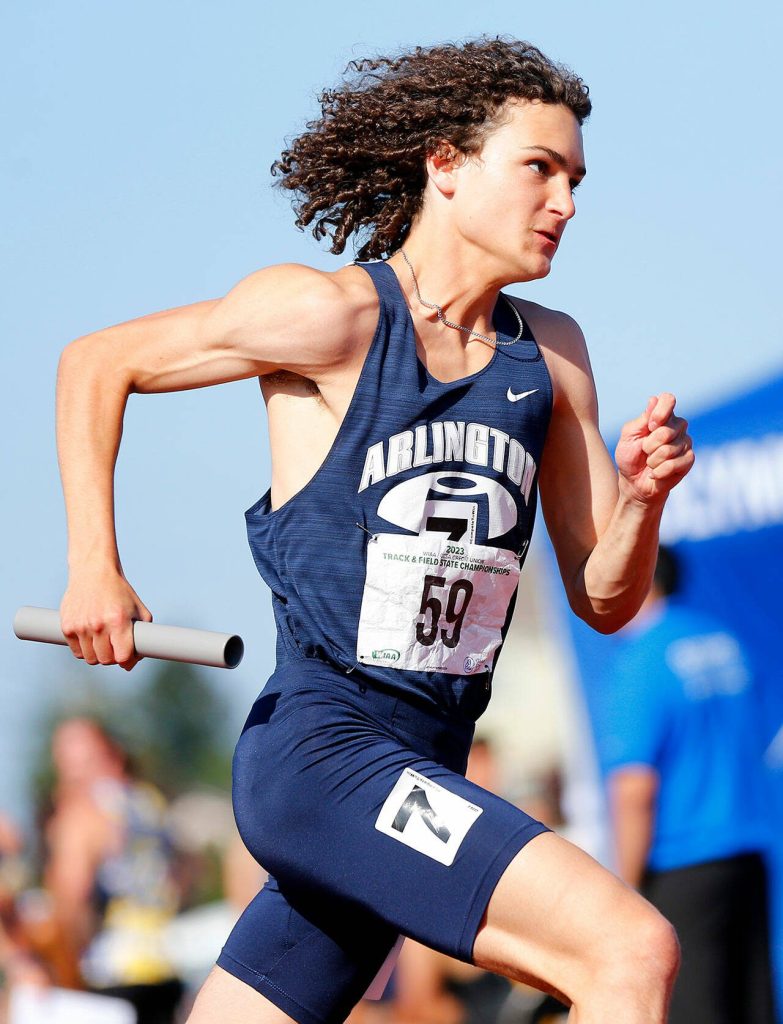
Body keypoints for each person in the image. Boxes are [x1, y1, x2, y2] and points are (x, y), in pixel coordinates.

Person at [55, 37, 694, 1024]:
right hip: (325, 751)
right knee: (628, 947)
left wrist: (643, 497)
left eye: (576, 178)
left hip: (420, 768)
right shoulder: (331, 316)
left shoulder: (551, 357)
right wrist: (96, 565)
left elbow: (605, 599)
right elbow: (97, 362)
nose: (566, 202)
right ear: (445, 164)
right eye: (540, 168)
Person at [588, 547, 775, 1023]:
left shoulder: (641, 659)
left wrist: (624, 895)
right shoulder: (722, 641)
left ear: (640, 580)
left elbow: (634, 791)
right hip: (746, 854)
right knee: (753, 1006)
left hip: (681, 870)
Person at [44, 718, 184, 1024]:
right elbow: (182, 876)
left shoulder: (81, 814)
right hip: (165, 966)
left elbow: (72, 898)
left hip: (108, 974)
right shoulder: (149, 803)